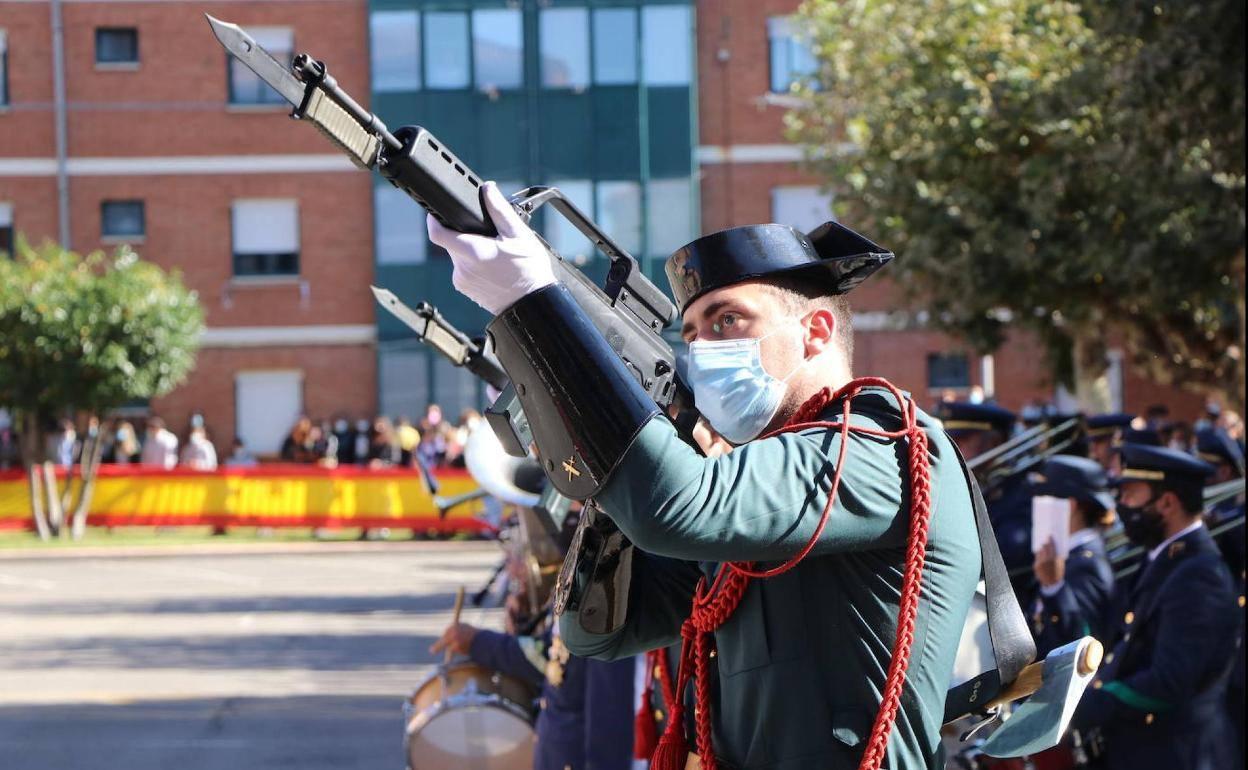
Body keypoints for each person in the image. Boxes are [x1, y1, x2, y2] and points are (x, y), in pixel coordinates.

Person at [430, 182, 981, 769]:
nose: (704, 351)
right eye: (691, 334)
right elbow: (599, 632)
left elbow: (677, 507)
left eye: (728, 321)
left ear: (815, 332)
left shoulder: (883, 445)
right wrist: (623, 452)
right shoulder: (744, 485)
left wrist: (534, 302)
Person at [1071, 443, 1238, 770]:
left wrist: (1091, 702)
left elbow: (1169, 681)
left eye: (1130, 495)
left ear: (1167, 502)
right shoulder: (1164, 558)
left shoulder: (1200, 575)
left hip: (1180, 754)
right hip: (1147, 748)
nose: (1121, 506)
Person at [431, 614, 638, 770]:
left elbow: (611, 713)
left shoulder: (606, 589)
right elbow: (548, 656)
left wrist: (480, 643)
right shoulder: (584, 574)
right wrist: (480, 642)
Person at [937, 401, 1034, 595]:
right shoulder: (974, 485)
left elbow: (1006, 555)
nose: (954, 450)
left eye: (962, 441)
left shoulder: (1021, 492)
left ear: (994, 443)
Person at [1029, 455, 1116, 656]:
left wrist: (1054, 587)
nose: (1037, 504)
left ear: (1070, 505)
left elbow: (1081, 644)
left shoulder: (1088, 564)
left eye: (1045, 497)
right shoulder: (1070, 555)